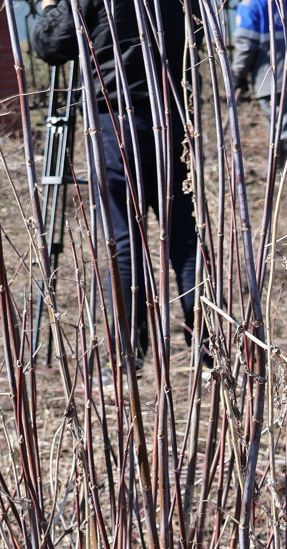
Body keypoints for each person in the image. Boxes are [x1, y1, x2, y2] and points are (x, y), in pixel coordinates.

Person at [30, 0, 200, 370]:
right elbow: (198, 34)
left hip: (117, 117)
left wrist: (49, 7)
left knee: (124, 240)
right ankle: (206, 346)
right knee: (185, 236)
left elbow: (53, 45)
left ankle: (127, 355)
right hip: (174, 115)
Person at [230, 0, 287, 175]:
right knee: (284, 120)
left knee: (282, 124)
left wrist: (238, 74)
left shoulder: (249, 6)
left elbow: (246, 46)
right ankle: (286, 169)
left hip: (268, 76)